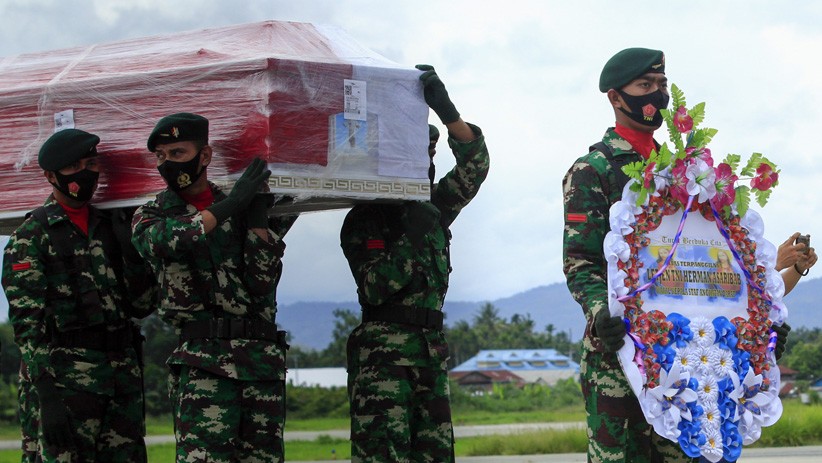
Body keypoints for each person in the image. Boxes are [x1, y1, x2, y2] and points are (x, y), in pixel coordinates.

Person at [340, 64, 489, 462]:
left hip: (429, 353)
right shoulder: (367, 218)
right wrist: (412, 238)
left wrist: (448, 113)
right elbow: (374, 286)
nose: (425, 160)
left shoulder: (434, 206)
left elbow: (475, 167)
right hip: (383, 361)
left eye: (430, 152)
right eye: (415, 151)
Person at [131, 113, 296, 462]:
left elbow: (262, 283)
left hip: (260, 361)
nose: (168, 164)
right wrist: (230, 205)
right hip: (204, 364)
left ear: (204, 156)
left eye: (177, 153)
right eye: (161, 157)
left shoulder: (246, 205)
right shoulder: (152, 214)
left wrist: (256, 219)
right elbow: (161, 242)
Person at [563, 48, 701, 463]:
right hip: (617, 355)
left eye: (661, 86)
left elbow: (700, 257)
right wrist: (598, 312)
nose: (657, 97)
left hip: (677, 353)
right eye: (645, 86)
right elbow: (580, 261)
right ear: (615, 98)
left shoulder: (683, 173)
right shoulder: (594, 170)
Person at [2, 129, 154, 462]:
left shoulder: (113, 226)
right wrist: (47, 396)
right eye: (74, 167)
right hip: (64, 385)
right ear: (50, 176)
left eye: (91, 163)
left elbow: (142, 306)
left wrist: (131, 253)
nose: (86, 173)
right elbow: (28, 326)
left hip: (120, 381)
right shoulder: (32, 237)